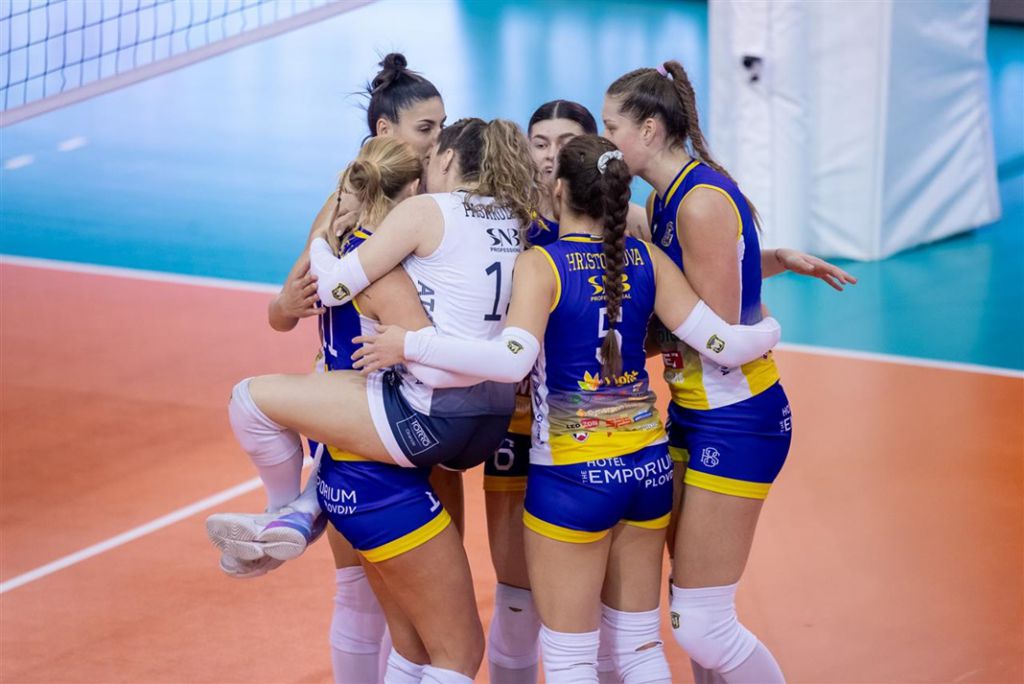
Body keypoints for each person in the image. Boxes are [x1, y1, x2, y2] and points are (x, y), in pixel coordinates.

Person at [352, 135, 783, 683]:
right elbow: (721, 343)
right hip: (648, 471)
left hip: (573, 477)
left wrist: (411, 345)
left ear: (558, 190)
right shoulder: (648, 260)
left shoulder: (542, 264)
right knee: (639, 651)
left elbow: (511, 360)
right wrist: (769, 329)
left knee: (571, 659)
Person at [211, 117, 539, 683]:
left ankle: (294, 508)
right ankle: (298, 509)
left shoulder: (376, 253)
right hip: (476, 427)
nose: (431, 156)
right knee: (419, 648)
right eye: (426, 132)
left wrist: (320, 242)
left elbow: (323, 294)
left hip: (391, 445)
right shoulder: (513, 221)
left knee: (250, 399)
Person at [602, 60, 806, 682]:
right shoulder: (667, 196)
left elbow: (713, 335)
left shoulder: (698, 203)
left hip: (738, 418)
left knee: (701, 621)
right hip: (696, 412)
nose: (605, 143)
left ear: (649, 129)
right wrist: (776, 258)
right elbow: (718, 271)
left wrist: (612, 338)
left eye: (612, 128)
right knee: (692, 607)